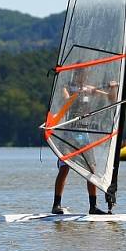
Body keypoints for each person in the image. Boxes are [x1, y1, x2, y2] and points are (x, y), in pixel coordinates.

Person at [50, 72, 119, 215]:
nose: (83, 78)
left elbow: (111, 99)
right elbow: (66, 102)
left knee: (91, 170)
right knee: (64, 168)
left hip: (84, 135)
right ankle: (56, 205)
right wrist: (78, 93)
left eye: (85, 76)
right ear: (75, 76)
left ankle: (93, 207)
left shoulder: (90, 89)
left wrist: (112, 88)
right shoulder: (67, 88)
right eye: (80, 75)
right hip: (69, 134)